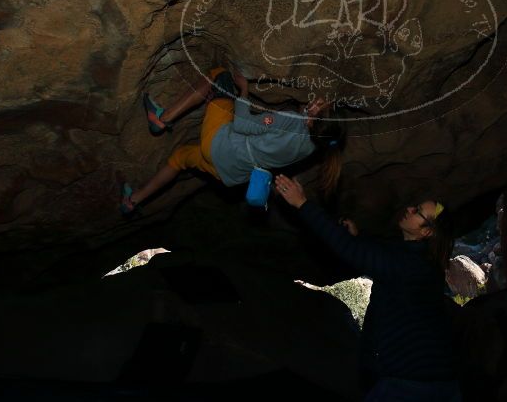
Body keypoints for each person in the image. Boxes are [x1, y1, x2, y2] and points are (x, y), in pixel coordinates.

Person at [274, 174, 462, 402]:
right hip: (432, 379)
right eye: (416, 206)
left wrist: (302, 204)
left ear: (426, 232)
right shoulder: (421, 261)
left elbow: (351, 251)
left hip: (413, 383)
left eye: (418, 212)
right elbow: (383, 252)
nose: (410, 209)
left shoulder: (410, 265)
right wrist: (359, 236)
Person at [120, 67, 344, 214]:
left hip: (221, 145)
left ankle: (161, 119)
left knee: (218, 76)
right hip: (230, 172)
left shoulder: (292, 120)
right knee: (180, 158)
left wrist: (244, 92)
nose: (319, 101)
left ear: (316, 118)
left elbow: (242, 124)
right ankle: (133, 201)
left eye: (321, 105)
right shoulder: (313, 148)